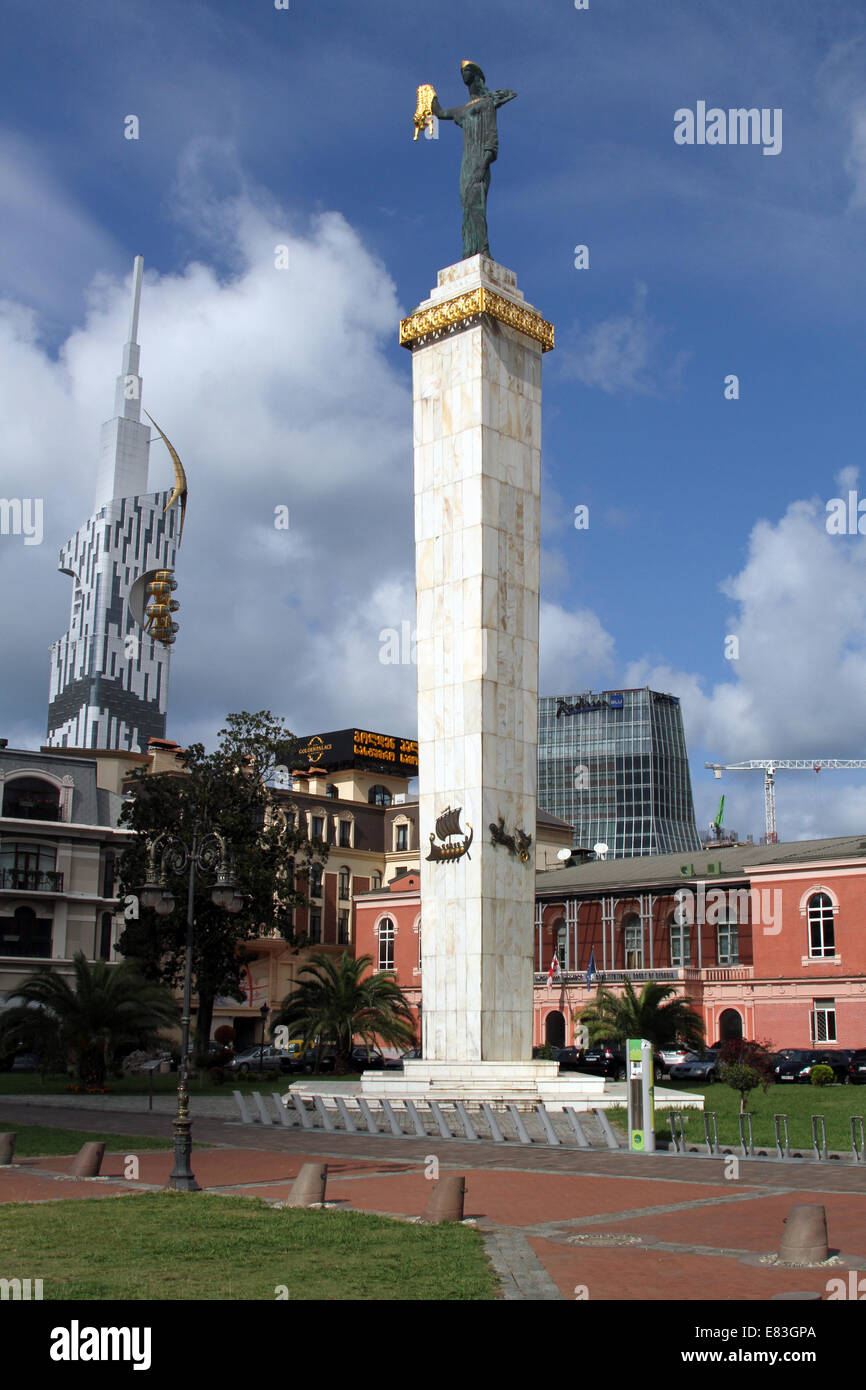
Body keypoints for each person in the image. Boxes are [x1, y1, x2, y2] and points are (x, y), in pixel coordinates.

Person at [431, 61, 517, 259]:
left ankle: (483, 249)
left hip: (479, 159)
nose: (463, 74)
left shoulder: (487, 104)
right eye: (461, 72)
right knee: (467, 205)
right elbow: (440, 112)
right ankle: (469, 250)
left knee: (476, 202)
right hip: (466, 162)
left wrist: (484, 161)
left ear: (476, 75)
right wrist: (429, 93)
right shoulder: (462, 110)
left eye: (467, 71)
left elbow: (491, 138)